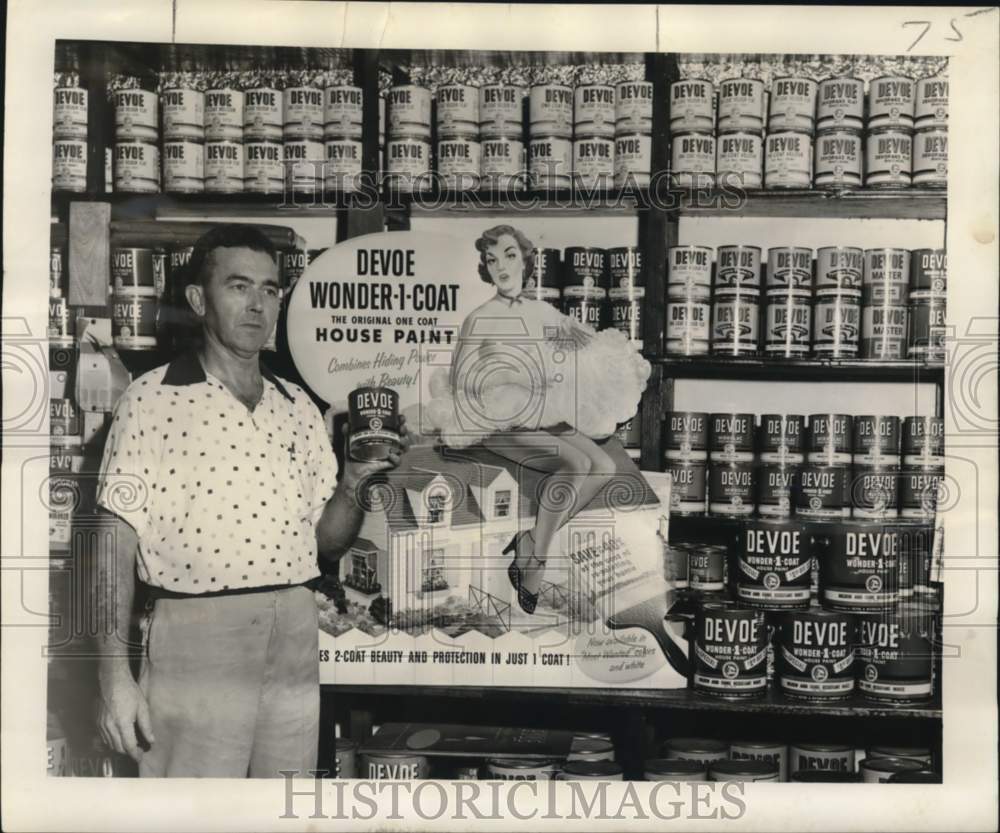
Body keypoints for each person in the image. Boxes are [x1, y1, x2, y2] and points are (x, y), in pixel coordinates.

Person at [94, 224, 409, 777]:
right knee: (192, 813)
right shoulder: (152, 398)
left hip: (293, 630)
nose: (257, 304)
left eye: (269, 289)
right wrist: (112, 676)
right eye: (239, 286)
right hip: (196, 636)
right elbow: (111, 540)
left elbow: (324, 543)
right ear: (198, 299)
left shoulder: (296, 405)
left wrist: (356, 481)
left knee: (278, 806)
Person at [425, 224, 649, 614]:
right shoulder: (479, 319)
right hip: (492, 419)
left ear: (526, 261)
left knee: (604, 466)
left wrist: (605, 358)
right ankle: (534, 564)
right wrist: (513, 373)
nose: (502, 267)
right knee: (577, 462)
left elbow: (582, 353)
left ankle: (529, 539)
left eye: (510, 255)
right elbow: (463, 382)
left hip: (539, 413)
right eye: (492, 260)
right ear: (486, 269)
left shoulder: (544, 313)